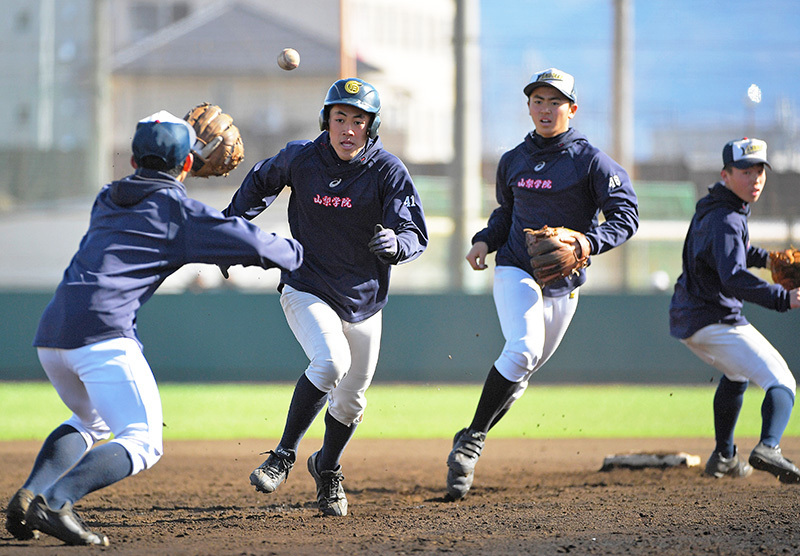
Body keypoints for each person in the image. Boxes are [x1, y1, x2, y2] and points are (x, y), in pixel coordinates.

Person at [4, 111, 303, 546]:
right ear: (186, 165)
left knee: (91, 419)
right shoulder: (178, 213)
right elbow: (256, 244)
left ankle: (30, 494)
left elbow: (157, 202)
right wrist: (298, 251)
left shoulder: (107, 196)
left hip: (53, 333)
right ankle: (55, 500)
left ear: (131, 161)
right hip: (102, 335)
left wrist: (181, 164)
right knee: (144, 441)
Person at [222, 78, 428, 516]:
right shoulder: (301, 157)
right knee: (332, 362)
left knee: (352, 399)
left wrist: (398, 244)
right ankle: (283, 455)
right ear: (326, 121)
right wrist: (229, 229)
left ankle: (327, 467)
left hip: (365, 300)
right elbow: (259, 183)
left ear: (371, 127)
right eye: (340, 118)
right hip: (306, 284)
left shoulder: (387, 170)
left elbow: (413, 232)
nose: (348, 129)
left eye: (358, 120)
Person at [445, 68, 639, 500]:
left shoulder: (590, 161)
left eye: (555, 102)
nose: (545, 109)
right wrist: (484, 240)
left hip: (565, 282)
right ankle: (473, 441)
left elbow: (627, 217)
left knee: (523, 372)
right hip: (515, 267)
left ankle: (467, 436)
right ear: (529, 106)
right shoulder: (513, 159)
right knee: (523, 349)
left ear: (572, 108)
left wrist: (588, 241)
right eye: (538, 100)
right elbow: (506, 214)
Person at [669, 137, 800, 483]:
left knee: (737, 373)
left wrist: (768, 258)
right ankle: (769, 447)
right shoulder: (726, 218)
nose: (755, 178)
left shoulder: (717, 208)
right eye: (745, 171)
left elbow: (734, 251)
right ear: (726, 175)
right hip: (712, 319)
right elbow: (733, 276)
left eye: (760, 170)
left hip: (692, 316)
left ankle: (724, 456)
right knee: (781, 380)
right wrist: (782, 298)